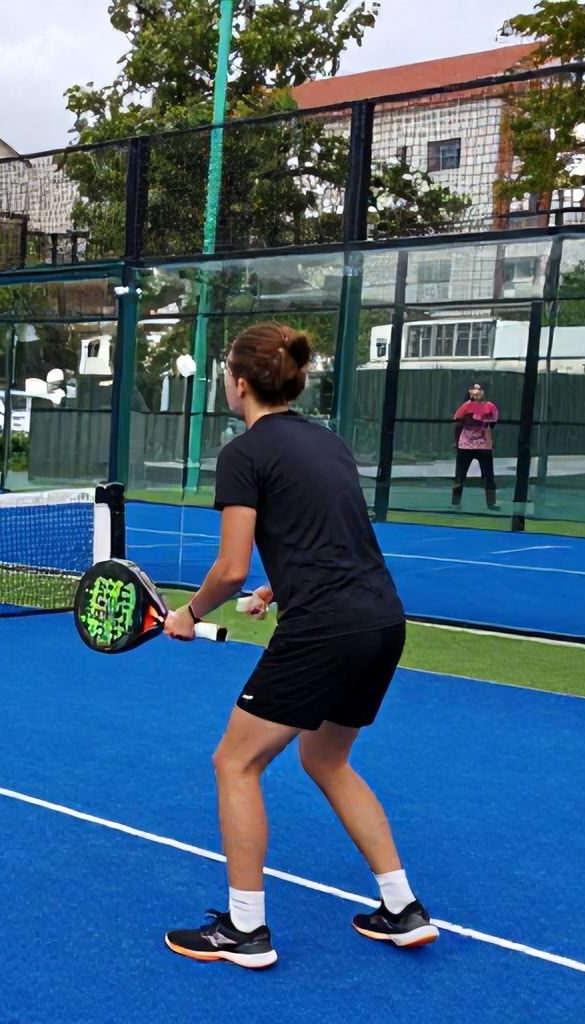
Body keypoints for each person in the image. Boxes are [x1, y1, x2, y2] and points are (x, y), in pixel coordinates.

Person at [160, 322, 437, 969]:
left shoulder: (244, 453)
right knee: (326, 759)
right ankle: (402, 907)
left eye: (227, 373)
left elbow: (228, 568)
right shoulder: (328, 443)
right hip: (381, 622)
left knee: (236, 763)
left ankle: (244, 930)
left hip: (325, 631)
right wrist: (276, 591)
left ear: (241, 382)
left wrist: (188, 613)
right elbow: (332, 540)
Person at [452, 383, 500, 510]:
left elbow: (493, 424)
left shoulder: (491, 407)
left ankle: (491, 504)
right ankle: (456, 504)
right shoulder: (465, 407)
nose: (477, 392)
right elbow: (457, 424)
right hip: (465, 446)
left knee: (489, 476)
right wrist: (457, 442)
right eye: (474, 389)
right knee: (460, 476)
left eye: (480, 389)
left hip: (484, 447)